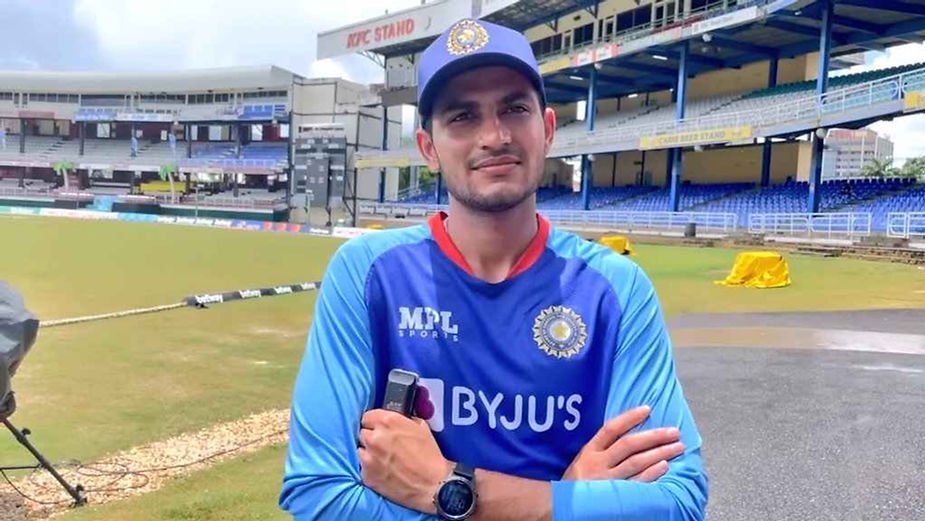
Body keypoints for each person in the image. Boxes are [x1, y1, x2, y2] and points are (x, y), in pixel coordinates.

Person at [280, 18, 708, 521]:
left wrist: (447, 488)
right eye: (463, 116)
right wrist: (564, 498)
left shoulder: (615, 288)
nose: (495, 135)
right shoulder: (369, 273)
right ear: (428, 148)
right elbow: (317, 492)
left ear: (545, 129)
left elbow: (678, 502)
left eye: (514, 108)